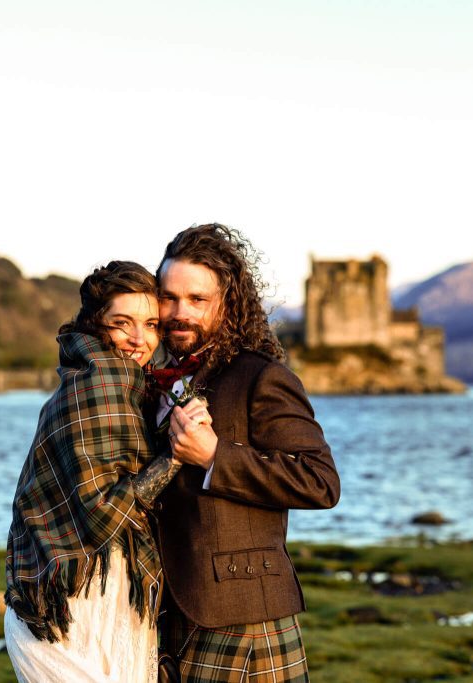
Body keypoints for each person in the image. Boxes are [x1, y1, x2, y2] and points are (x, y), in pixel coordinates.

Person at [4, 261, 210, 683]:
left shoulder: (120, 383)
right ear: (97, 324)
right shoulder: (99, 385)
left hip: (93, 598)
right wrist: (176, 454)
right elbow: (102, 514)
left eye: (151, 324)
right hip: (78, 611)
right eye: (123, 323)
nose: (140, 339)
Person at [153, 224, 341, 683]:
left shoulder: (261, 377)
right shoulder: (152, 382)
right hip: (168, 617)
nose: (180, 313)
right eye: (168, 297)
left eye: (197, 300)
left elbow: (320, 481)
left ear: (227, 304)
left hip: (246, 618)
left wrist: (217, 455)